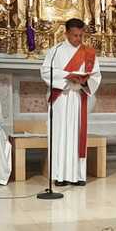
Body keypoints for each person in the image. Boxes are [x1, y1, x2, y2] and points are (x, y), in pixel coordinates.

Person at [40, 18, 102, 186]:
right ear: (66, 33)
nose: (78, 39)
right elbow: (46, 72)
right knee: (60, 135)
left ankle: (78, 175)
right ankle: (60, 175)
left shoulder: (89, 52)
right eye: (75, 35)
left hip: (78, 98)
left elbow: (96, 75)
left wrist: (85, 81)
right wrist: (68, 76)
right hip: (61, 98)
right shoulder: (55, 51)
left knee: (77, 135)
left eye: (81, 35)